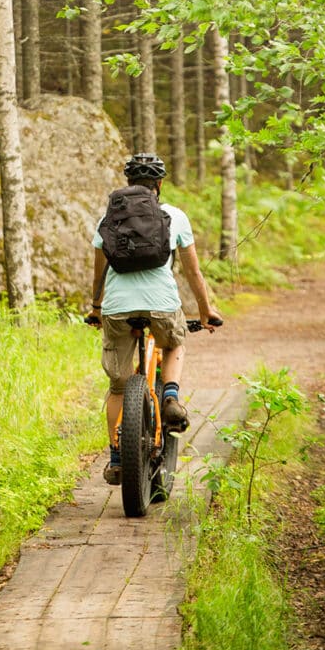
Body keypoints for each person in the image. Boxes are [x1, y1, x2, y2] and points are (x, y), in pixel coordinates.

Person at [88, 153, 223, 485]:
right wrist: (206, 312)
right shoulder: (174, 216)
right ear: (160, 184)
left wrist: (95, 307)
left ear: (129, 183)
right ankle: (171, 396)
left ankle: (117, 459)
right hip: (162, 305)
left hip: (117, 308)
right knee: (175, 342)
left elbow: (99, 272)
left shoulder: (109, 218)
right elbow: (192, 272)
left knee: (118, 386)